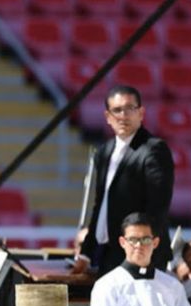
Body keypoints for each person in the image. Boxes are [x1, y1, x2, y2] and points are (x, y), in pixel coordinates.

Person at [74, 85, 174, 277]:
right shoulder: (104, 151)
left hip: (140, 256)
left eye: (130, 109)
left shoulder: (154, 149)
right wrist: (86, 254)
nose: (123, 115)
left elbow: (158, 208)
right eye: (117, 110)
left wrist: (141, 249)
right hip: (108, 253)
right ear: (108, 117)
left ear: (141, 113)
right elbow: (100, 206)